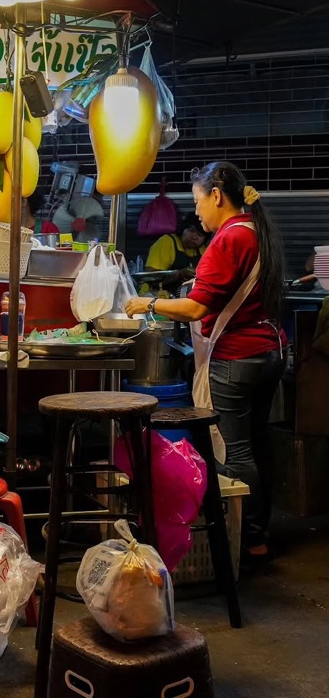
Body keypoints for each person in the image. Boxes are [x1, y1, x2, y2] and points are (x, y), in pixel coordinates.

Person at [126, 161, 286, 565]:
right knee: (259, 445)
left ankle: (245, 541)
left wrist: (149, 303)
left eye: (198, 200)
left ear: (217, 195)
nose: (195, 210)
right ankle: (258, 534)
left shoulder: (229, 239)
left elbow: (197, 307)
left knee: (235, 452)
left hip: (237, 357)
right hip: (270, 352)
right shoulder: (257, 231)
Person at [144, 212, 208, 294]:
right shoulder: (167, 242)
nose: (194, 237)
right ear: (183, 228)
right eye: (191, 231)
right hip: (160, 296)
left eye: (199, 235)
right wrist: (180, 274)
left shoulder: (202, 250)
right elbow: (150, 276)